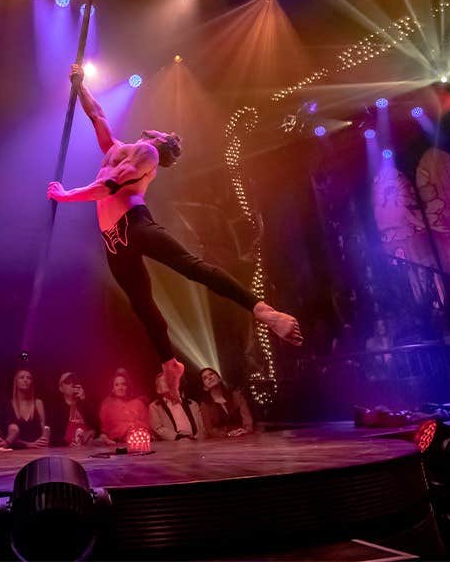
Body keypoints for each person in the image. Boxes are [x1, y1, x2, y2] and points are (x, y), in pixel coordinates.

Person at [47, 63, 302, 400]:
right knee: (142, 305)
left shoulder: (147, 152)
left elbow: (109, 184)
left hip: (135, 225)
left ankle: (263, 311)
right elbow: (96, 115)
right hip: (113, 241)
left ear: (160, 142)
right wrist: (79, 84)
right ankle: (170, 363)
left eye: (163, 131)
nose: (158, 128)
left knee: (191, 267)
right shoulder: (115, 147)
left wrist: (66, 196)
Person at [45, 372, 99, 447]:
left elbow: (97, 426)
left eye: (74, 381)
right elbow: (54, 436)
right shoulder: (57, 409)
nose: (72, 384)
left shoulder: (84, 404)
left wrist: (83, 400)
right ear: (61, 388)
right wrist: (67, 444)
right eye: (67, 382)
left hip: (86, 447)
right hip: (66, 449)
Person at [198, 368, 254, 438]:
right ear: (204, 387)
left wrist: (246, 430)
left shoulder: (236, 396)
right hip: (221, 442)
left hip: (243, 437)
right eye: (205, 378)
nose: (209, 377)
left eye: (211, 374)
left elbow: (247, 418)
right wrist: (227, 435)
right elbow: (210, 429)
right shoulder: (205, 405)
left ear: (219, 378)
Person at [148, 373, 204, 441]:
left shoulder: (192, 404)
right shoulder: (155, 406)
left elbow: (201, 426)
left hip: (197, 444)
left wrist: (196, 438)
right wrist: (178, 437)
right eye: (164, 380)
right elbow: (158, 428)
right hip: (172, 446)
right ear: (158, 390)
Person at [99, 372, 150, 443]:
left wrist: (133, 426)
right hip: (117, 445)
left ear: (128, 386)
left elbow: (147, 426)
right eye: (117, 385)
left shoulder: (139, 404)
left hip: (140, 442)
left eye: (123, 384)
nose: (120, 388)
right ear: (112, 389)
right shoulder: (107, 405)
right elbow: (105, 430)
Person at [5, 369, 48, 450]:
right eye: (22, 377)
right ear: (16, 382)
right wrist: (28, 444)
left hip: (37, 449)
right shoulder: (9, 404)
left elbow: (43, 428)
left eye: (29, 378)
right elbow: (8, 435)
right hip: (17, 451)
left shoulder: (38, 403)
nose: (25, 380)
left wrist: (42, 441)